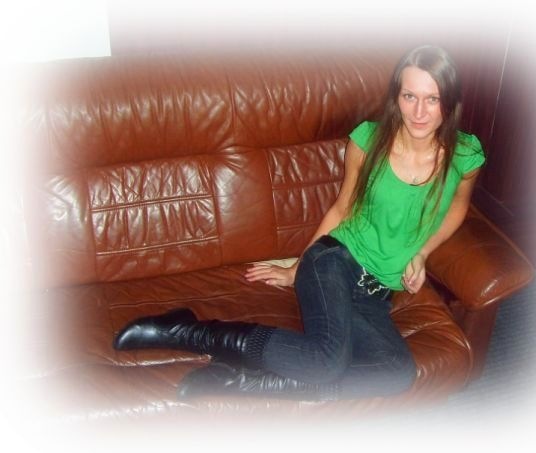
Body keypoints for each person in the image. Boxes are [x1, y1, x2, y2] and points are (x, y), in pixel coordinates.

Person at [113, 45, 485, 401]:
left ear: (449, 102)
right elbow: (341, 210)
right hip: (334, 261)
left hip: (375, 294)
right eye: (409, 96)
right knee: (326, 361)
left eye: (432, 99)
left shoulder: (465, 155)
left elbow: (457, 207)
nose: (419, 112)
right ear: (396, 97)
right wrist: (299, 267)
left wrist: (423, 251)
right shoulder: (368, 141)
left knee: (396, 373)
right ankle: (190, 331)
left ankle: (244, 380)